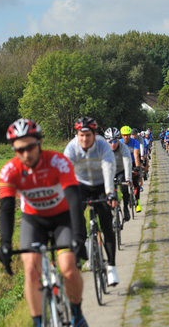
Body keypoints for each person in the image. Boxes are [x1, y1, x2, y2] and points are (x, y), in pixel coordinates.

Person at [0, 118, 88, 327]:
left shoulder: (57, 162)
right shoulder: (9, 170)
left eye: (30, 147)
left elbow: (74, 199)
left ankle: (77, 312)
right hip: (33, 221)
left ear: (39, 143)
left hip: (61, 218)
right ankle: (38, 322)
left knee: (68, 268)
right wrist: (5, 243)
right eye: (19, 150)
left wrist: (78, 236)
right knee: (30, 270)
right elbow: (6, 209)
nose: (26, 154)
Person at [64, 116, 120, 287]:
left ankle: (111, 267)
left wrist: (110, 192)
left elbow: (108, 168)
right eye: (81, 135)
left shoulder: (103, 145)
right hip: (80, 184)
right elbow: (65, 172)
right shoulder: (72, 147)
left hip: (101, 184)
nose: (84, 139)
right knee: (75, 215)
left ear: (94, 134)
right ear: (77, 135)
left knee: (106, 224)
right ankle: (83, 249)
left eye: (88, 135)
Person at [104, 127, 133, 221]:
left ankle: (125, 208)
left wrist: (128, 178)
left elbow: (127, 162)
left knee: (124, 188)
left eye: (115, 141)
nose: (113, 144)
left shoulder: (122, 147)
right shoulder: (102, 148)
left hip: (121, 170)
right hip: (109, 172)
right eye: (110, 141)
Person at [121, 125, 143, 212]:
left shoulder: (135, 142)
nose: (126, 137)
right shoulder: (119, 143)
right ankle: (126, 202)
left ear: (130, 135)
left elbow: (136, 155)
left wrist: (137, 167)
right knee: (124, 186)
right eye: (124, 135)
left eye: (128, 135)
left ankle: (138, 203)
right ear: (121, 136)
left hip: (133, 162)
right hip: (122, 164)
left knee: (136, 183)